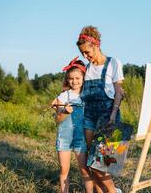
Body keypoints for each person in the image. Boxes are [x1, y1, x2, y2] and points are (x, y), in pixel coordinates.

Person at [76, 25, 124, 193]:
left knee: (100, 162)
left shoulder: (113, 63)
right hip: (89, 115)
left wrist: (113, 114)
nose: (85, 56)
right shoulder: (86, 68)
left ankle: (113, 191)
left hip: (107, 114)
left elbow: (119, 92)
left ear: (95, 46)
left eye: (87, 52)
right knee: (91, 160)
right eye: (82, 53)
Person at [52, 57, 93, 193]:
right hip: (64, 137)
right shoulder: (63, 97)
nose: (74, 81)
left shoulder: (87, 95)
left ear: (83, 78)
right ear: (67, 79)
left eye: (77, 78)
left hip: (80, 138)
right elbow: (57, 119)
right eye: (71, 78)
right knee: (64, 169)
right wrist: (64, 111)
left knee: (84, 170)